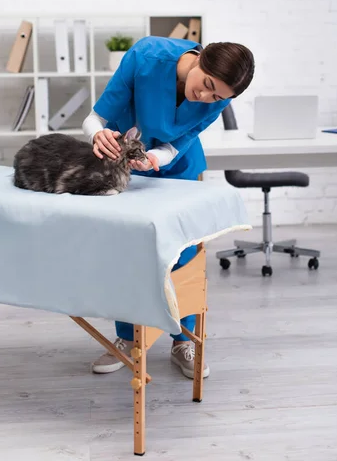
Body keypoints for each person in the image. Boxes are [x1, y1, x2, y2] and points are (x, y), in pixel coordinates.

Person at [82, 35, 254, 379]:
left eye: (216, 96)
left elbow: (180, 143)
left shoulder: (219, 97)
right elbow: (95, 118)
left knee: (182, 253)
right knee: (127, 248)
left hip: (178, 170)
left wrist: (155, 158)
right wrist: (96, 135)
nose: (205, 97)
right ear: (201, 59)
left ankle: (183, 339)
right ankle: (128, 337)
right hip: (125, 164)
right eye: (206, 85)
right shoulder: (145, 57)